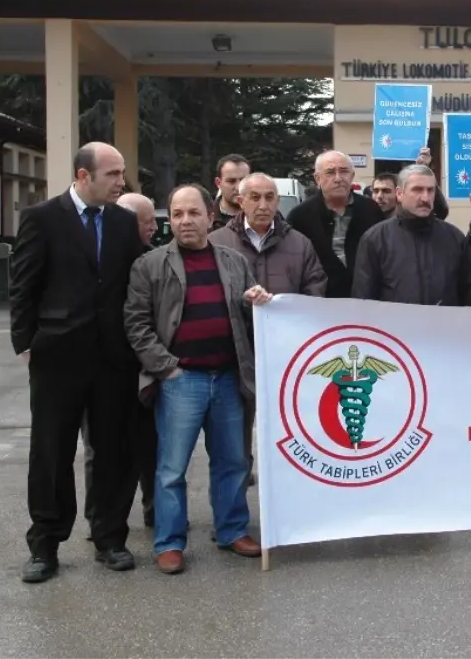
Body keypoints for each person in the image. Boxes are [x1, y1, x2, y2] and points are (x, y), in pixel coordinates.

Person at [9, 142, 148, 583]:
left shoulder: (125, 223)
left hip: (113, 359)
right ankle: (45, 545)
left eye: (121, 173)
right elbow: (23, 285)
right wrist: (25, 343)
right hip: (57, 358)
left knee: (114, 451)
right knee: (51, 451)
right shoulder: (42, 218)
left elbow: (133, 284)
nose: (120, 181)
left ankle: (110, 539)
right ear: (83, 176)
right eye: (111, 174)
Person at [123, 183, 273, 574]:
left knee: (232, 462)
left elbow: (248, 318)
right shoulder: (150, 265)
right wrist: (167, 368)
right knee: (171, 468)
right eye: (177, 214)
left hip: (227, 378)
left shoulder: (233, 261)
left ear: (211, 216)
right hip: (180, 380)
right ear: (168, 220)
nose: (185, 221)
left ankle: (232, 530)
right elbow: (136, 324)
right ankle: (169, 543)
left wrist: (257, 301)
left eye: (193, 213)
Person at [209, 171, 326, 484]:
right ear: (240, 200)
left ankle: (288, 507)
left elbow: (316, 289)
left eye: (270, 197)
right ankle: (233, 521)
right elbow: (205, 294)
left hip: (286, 355)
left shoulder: (299, 244)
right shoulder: (217, 243)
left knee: (290, 435)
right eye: (255, 197)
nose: (263, 204)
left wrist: (284, 306)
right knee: (233, 444)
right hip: (234, 354)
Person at [80, 192, 159, 535]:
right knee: (99, 448)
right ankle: (99, 515)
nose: (155, 228)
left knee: (150, 444)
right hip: (101, 368)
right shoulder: (96, 260)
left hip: (144, 368)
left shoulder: (154, 261)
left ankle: (156, 511)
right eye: (147, 222)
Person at [352, 164, 471, 306]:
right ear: (399, 194)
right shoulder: (375, 239)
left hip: (445, 326)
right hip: (392, 327)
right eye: (417, 190)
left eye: (430, 190)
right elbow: (363, 299)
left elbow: (468, 293)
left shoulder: (454, 238)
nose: (425, 197)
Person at [286, 151, 385, 298]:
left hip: (366, 300)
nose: (338, 178)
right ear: (317, 179)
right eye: (330, 172)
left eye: (344, 171)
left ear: (352, 176)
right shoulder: (300, 216)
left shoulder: (371, 210)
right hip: (319, 302)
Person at [212, 154, 250, 230]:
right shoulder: (205, 219)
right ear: (218, 183)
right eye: (231, 181)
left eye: (243, 180)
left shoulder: (267, 218)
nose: (238, 187)